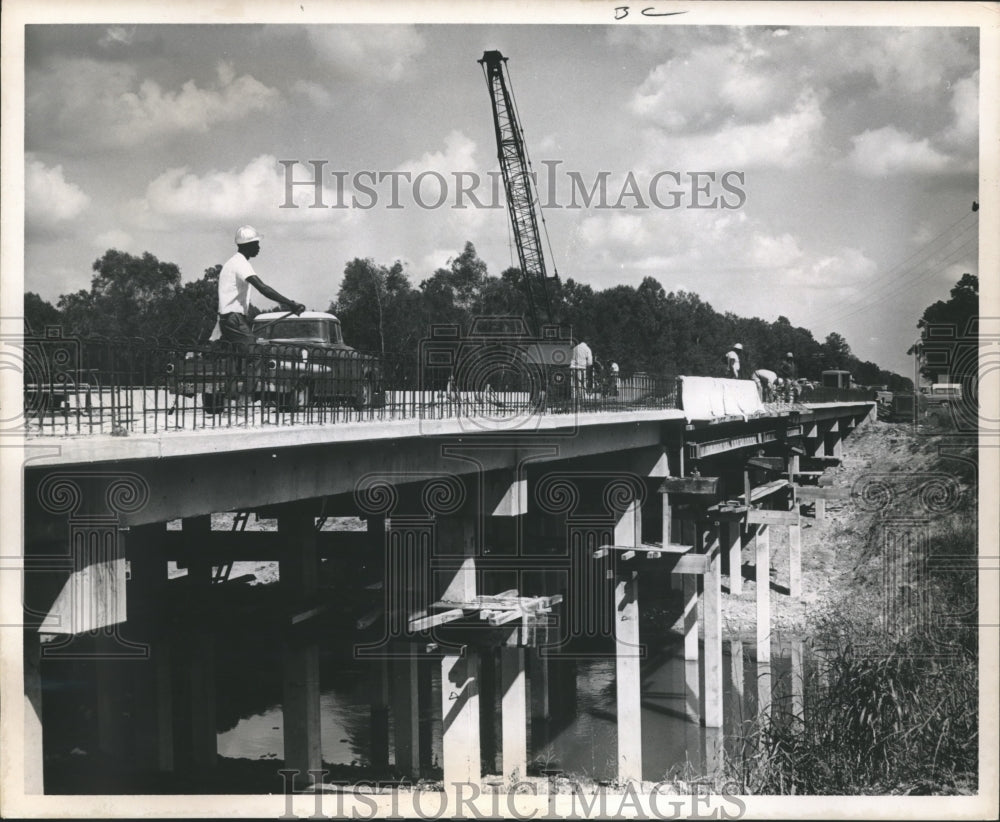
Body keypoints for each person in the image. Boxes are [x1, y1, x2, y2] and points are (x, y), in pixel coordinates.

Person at [211, 225, 305, 347]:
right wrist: (291, 304)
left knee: (239, 358)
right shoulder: (241, 263)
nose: (258, 247)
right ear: (248, 245)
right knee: (254, 353)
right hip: (233, 318)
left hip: (229, 319)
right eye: (256, 244)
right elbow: (263, 288)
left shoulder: (232, 262)